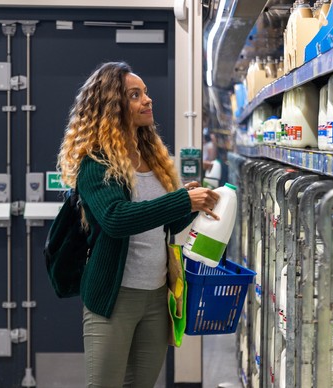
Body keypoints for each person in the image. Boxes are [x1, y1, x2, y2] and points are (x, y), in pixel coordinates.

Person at [57, 61, 219, 387]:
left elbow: (165, 224)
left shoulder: (152, 156)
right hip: (115, 297)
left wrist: (192, 204)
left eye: (145, 93)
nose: (147, 100)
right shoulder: (96, 162)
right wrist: (180, 201)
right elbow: (116, 219)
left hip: (157, 295)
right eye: (135, 95)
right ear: (113, 107)